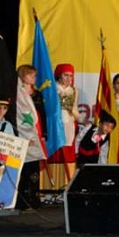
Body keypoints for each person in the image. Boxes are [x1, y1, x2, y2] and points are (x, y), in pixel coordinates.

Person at [44, 63, 78, 200]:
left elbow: (75, 109)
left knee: (68, 154)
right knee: (55, 155)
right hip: (54, 125)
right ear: (59, 75)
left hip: (68, 125)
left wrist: (74, 113)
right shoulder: (52, 89)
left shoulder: (74, 91)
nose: (68, 78)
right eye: (66, 75)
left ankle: (65, 189)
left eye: (71, 75)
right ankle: (49, 191)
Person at [14, 64, 46, 210]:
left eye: (34, 75)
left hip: (36, 131)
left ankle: (34, 197)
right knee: (23, 168)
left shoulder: (37, 94)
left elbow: (42, 114)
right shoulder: (16, 93)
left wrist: (43, 133)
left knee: (34, 168)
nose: (34, 78)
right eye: (30, 75)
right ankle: (22, 200)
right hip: (23, 131)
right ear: (23, 76)